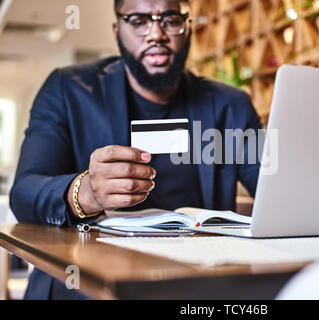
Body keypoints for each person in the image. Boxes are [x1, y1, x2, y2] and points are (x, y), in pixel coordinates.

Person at [9, 0, 261, 299]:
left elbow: (275, 188)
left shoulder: (230, 105)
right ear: (117, 30)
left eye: (170, 19)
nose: (156, 33)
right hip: (87, 285)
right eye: (139, 20)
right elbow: (24, 192)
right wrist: (85, 192)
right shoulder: (68, 90)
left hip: (194, 287)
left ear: (188, 26)